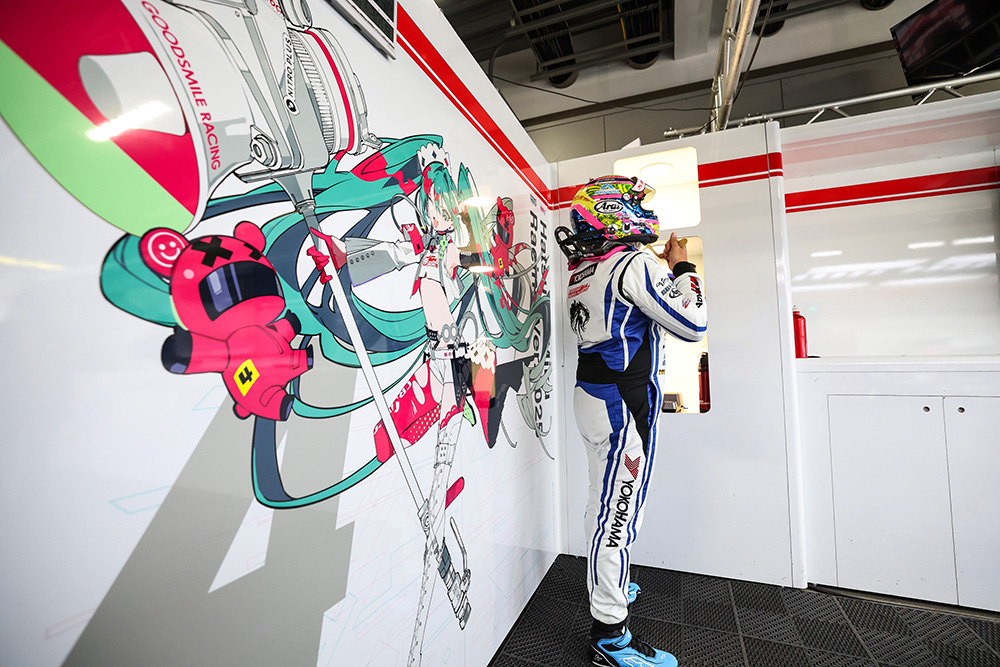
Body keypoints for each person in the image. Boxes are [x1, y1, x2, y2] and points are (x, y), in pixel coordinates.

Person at [556, 175, 707, 667]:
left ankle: (609, 586)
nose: (644, 211)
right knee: (617, 517)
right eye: (636, 203)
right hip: (621, 406)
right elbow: (693, 323)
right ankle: (610, 636)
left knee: (602, 505)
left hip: (594, 397)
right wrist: (681, 265)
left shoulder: (585, 266)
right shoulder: (633, 262)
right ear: (614, 210)